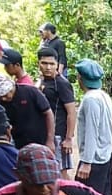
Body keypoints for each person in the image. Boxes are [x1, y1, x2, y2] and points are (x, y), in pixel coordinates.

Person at [73, 59, 112, 195]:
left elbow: (91, 130)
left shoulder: (90, 100)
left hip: (95, 159)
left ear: (80, 78)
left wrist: (86, 162)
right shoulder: (104, 96)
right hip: (106, 155)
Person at [0, 73, 52, 150]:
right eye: (0, 97)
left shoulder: (30, 91)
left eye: (5, 95)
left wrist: (50, 140)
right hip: (18, 143)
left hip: (41, 140)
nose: (3, 99)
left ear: (11, 88)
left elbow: (48, 113)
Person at [37, 47, 74, 179]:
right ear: (38, 64)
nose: (48, 67)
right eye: (44, 63)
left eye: (52, 64)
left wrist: (68, 139)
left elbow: (71, 112)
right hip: (45, 134)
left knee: (60, 172)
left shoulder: (62, 84)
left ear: (57, 65)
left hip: (58, 136)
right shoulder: (42, 82)